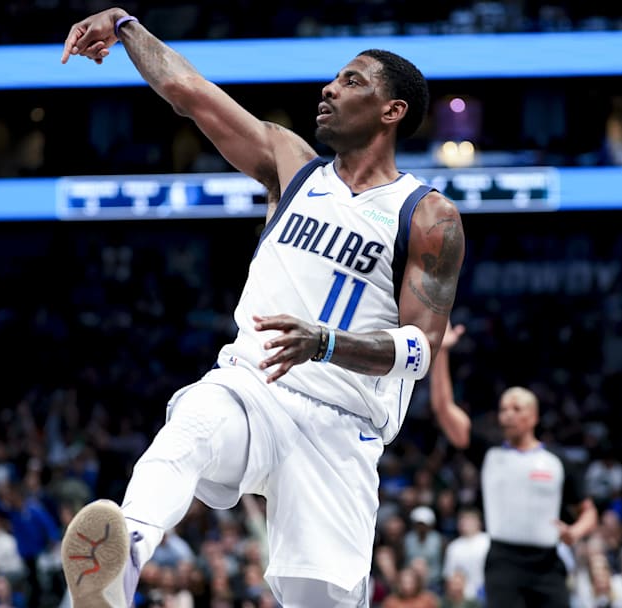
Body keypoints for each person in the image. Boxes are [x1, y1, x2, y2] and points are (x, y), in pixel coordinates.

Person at [59, 6, 465, 608]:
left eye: (352, 81)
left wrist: (324, 342)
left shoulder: (427, 215)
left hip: (341, 425)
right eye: (333, 78)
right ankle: (120, 567)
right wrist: (124, 25)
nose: (329, 88)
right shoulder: (292, 166)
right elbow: (188, 93)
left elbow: (417, 351)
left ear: (392, 111)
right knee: (190, 427)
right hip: (255, 386)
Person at [429, 322, 597, 608]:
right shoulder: (490, 454)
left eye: (516, 409)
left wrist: (575, 532)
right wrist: (442, 352)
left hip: (548, 565)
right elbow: (444, 409)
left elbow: (588, 510)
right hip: (503, 563)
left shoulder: (557, 461)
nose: (507, 414)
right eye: (503, 409)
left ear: (534, 417)